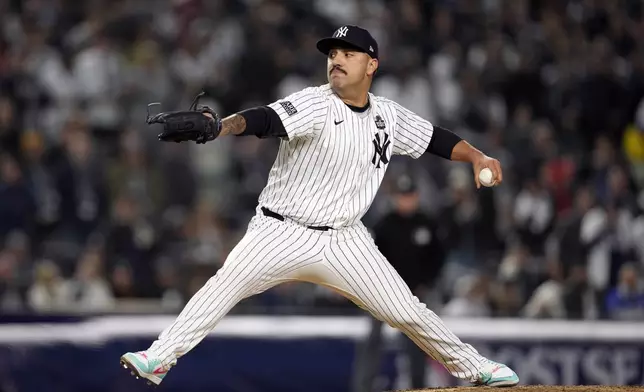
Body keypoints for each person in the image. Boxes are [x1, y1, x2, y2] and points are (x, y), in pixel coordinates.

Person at [120, 25, 518, 388]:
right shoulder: (315, 103)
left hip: (345, 239)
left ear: (372, 65)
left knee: (406, 310)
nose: (337, 60)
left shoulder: (387, 116)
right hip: (280, 231)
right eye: (333, 54)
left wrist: (477, 157)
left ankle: (473, 368)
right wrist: (219, 125)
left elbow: (436, 138)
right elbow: (262, 119)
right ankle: (158, 357)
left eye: (349, 53)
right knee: (221, 288)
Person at [351, 174, 447, 391]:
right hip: (384, 293)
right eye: (402, 196)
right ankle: (362, 387)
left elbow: (438, 257)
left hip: (416, 292)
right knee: (373, 341)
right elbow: (370, 256)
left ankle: (417, 386)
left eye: (410, 195)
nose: (406, 200)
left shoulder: (427, 224)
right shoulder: (385, 224)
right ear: (395, 197)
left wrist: (427, 282)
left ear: (417, 196)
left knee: (418, 343)